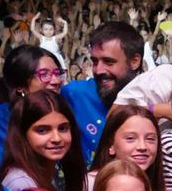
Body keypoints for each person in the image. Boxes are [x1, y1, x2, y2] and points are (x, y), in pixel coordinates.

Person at [83, 103, 172, 191]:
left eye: (150, 139)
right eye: (130, 138)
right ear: (111, 145)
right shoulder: (90, 185)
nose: (142, 147)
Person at [61, 21, 143, 164]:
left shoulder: (155, 98)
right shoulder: (75, 94)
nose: (98, 71)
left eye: (109, 62)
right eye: (94, 61)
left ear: (134, 61)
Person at [0, 90, 84, 191]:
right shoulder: (21, 185)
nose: (56, 138)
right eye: (43, 130)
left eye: (63, 128)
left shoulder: (56, 173)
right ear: (23, 134)